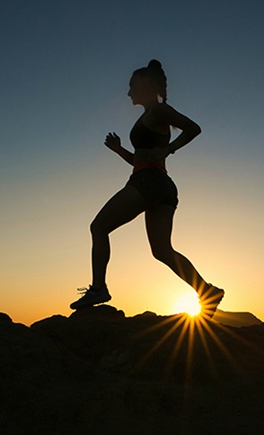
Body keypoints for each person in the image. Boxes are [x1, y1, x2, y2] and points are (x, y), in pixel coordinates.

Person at [70, 59, 224, 318]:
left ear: (145, 84)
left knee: (99, 227)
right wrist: (120, 150)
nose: (129, 92)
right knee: (162, 250)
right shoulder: (150, 115)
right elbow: (141, 159)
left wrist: (169, 148)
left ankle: (98, 289)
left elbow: (193, 128)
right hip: (160, 184)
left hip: (149, 182)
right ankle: (207, 291)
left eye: (132, 86)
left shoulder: (157, 111)